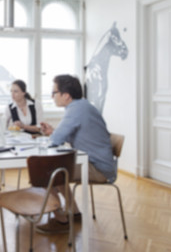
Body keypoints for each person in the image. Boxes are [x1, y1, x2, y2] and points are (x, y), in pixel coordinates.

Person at [37, 74, 117, 233]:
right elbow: (65, 135)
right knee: (57, 169)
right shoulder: (80, 106)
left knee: (47, 172)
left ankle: (60, 220)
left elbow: (56, 140)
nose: (52, 96)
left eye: (54, 93)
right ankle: (74, 212)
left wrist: (53, 135)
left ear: (66, 95)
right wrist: (53, 132)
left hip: (98, 168)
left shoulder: (76, 109)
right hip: (98, 162)